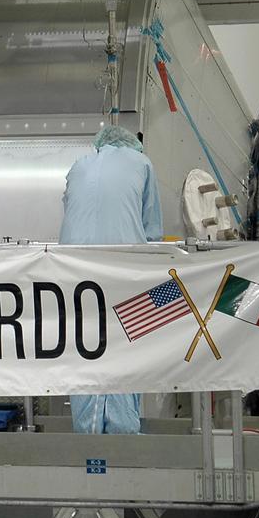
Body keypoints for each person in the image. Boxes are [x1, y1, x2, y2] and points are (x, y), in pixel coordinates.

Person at [59, 125, 163, 435]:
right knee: (123, 351)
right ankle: (122, 436)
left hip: (71, 274)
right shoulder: (142, 164)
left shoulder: (78, 166)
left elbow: (71, 213)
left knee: (83, 351)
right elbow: (152, 231)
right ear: (135, 146)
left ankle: (86, 433)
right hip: (122, 272)